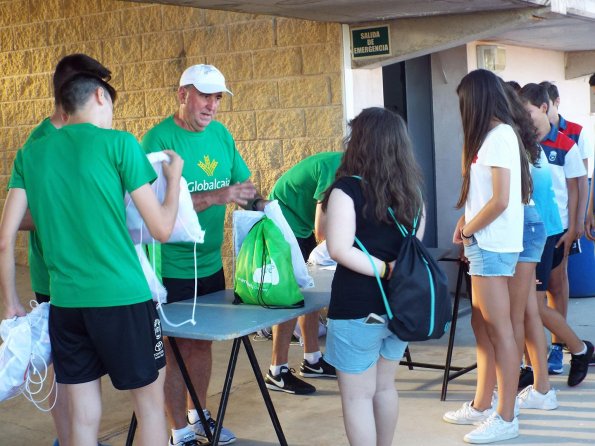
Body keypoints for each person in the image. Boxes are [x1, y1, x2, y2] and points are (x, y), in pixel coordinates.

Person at [0, 72, 183, 446]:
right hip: (124, 299)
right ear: (100, 96)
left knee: (82, 419)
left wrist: (11, 302)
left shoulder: (30, 154)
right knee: (149, 407)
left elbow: (4, 239)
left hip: (65, 303)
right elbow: (162, 229)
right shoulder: (120, 144)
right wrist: (175, 179)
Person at [142, 64, 260, 446]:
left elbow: (242, 185)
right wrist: (217, 197)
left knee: (203, 344)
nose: (212, 105)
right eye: (205, 96)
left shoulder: (221, 135)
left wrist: (267, 209)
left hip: (209, 264)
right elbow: (153, 208)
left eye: (217, 97)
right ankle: (178, 432)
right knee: (176, 351)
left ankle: (198, 415)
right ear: (182, 95)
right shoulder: (157, 141)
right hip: (169, 269)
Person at [17, 53, 112, 446]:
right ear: (77, 90)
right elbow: (19, 219)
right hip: (54, 278)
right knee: (63, 370)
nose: (104, 98)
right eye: (99, 89)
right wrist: (68, 211)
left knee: (84, 373)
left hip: (94, 275)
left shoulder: (93, 135)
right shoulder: (39, 143)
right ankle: (67, 440)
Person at [321, 107, 424, 445]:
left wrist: (383, 268)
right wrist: (394, 269)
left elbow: (337, 248)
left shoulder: (346, 190)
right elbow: (414, 245)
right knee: (384, 388)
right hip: (400, 307)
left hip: (357, 307)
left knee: (357, 397)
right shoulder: (412, 193)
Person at [443, 69, 530, 444]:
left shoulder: (499, 136)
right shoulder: (492, 137)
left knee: (500, 329)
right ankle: (482, 404)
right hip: (484, 242)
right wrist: (466, 220)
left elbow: (500, 199)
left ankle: (505, 416)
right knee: (482, 325)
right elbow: (484, 197)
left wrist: (469, 229)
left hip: (492, 244)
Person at [518, 83, 593, 387]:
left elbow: (578, 185)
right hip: (526, 232)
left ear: (544, 108)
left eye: (528, 111)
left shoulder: (566, 142)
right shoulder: (521, 143)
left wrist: (575, 225)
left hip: (553, 231)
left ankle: (567, 349)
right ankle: (539, 360)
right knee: (528, 303)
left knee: (545, 294)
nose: (523, 117)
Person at [263, 151, 342, 395]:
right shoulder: (334, 167)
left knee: (312, 289)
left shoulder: (356, 171)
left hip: (302, 224)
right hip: (283, 221)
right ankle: (277, 371)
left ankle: (312, 360)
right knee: (293, 295)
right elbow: (322, 231)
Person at [499, 81, 558, 410]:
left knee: (523, 312)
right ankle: (541, 385)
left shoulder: (514, 138)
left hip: (534, 230)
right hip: (538, 229)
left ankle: (534, 385)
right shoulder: (521, 136)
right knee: (528, 311)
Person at [539, 81, 591, 375]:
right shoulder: (526, 136)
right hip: (537, 229)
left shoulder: (574, 134)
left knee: (558, 285)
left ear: (552, 104)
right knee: (536, 294)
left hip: (562, 224)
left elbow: (580, 181)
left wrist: (580, 220)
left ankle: (559, 347)